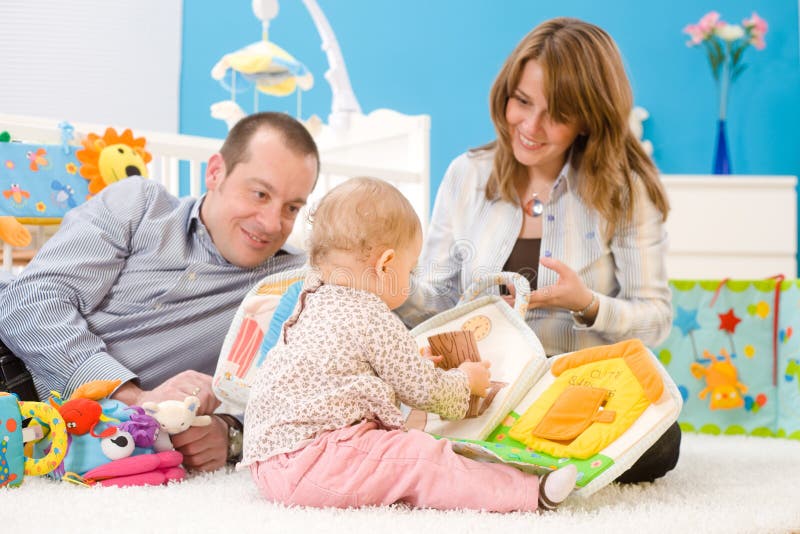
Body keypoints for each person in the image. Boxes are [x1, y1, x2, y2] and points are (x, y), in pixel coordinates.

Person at [397, 18, 680, 484]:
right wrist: (382, 281)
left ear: (590, 117)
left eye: (557, 114)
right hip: (481, 384)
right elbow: (436, 298)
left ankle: (496, 453)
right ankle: (522, 455)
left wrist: (587, 305)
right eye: (522, 102)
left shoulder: (626, 191)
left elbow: (656, 318)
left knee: (662, 443)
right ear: (505, 93)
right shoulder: (467, 175)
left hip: (572, 388)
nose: (530, 126)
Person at [0, 111, 319, 472]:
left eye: (292, 207)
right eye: (260, 194)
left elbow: (311, 392)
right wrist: (130, 396)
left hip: (55, 433)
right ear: (215, 172)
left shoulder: (298, 285)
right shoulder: (139, 204)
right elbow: (29, 299)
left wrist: (231, 433)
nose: (273, 223)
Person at [242, 177, 579, 512]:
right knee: (419, 458)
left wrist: (411, 366)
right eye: (410, 270)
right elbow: (426, 392)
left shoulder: (313, 298)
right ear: (386, 265)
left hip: (267, 460)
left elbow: (342, 374)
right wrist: (466, 380)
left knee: (396, 452)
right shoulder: (371, 314)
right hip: (314, 461)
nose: (410, 279)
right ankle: (529, 493)